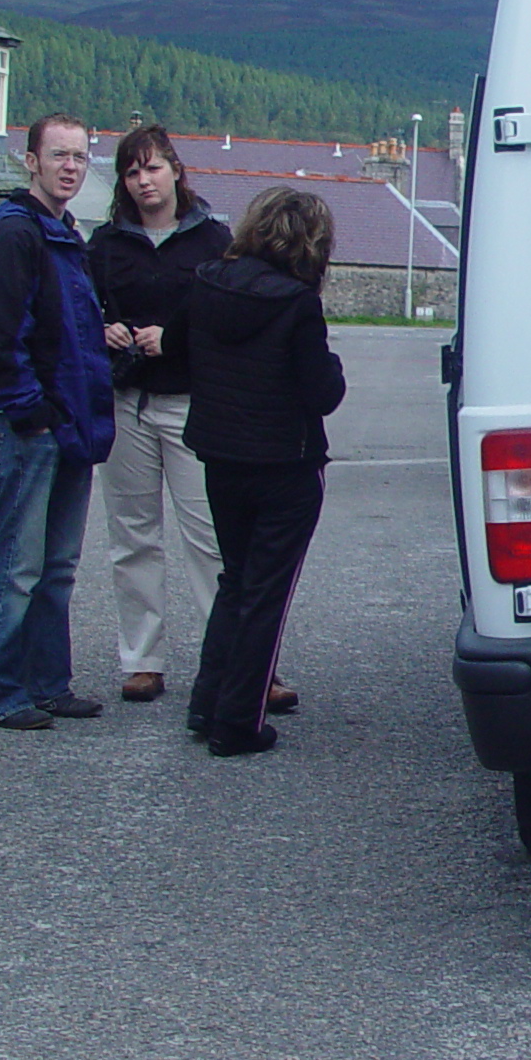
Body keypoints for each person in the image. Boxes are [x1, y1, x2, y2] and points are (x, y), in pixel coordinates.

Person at [170, 186, 345, 756]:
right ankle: (238, 721)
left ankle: (209, 701)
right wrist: (334, 362)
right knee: (267, 592)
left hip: (221, 456)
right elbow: (322, 394)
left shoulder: (206, 281)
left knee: (236, 581)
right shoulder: (297, 304)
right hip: (285, 464)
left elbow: (176, 352)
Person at [0, 113, 115, 730]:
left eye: (80, 156)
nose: (71, 166)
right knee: (15, 568)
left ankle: (48, 684)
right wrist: (31, 412)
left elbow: (65, 334)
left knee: (57, 568)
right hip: (31, 428)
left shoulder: (64, 236)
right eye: (59, 155)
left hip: (69, 426)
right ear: (31, 161)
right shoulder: (17, 236)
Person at [88, 125, 237, 705]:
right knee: (132, 535)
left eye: (152, 168)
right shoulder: (105, 245)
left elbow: (227, 319)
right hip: (126, 401)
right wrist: (104, 330)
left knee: (208, 537)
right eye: (132, 172)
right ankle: (142, 658)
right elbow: (84, 310)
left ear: (175, 170)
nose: (144, 180)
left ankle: (227, 658)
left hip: (188, 403)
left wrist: (173, 337)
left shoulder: (212, 241)